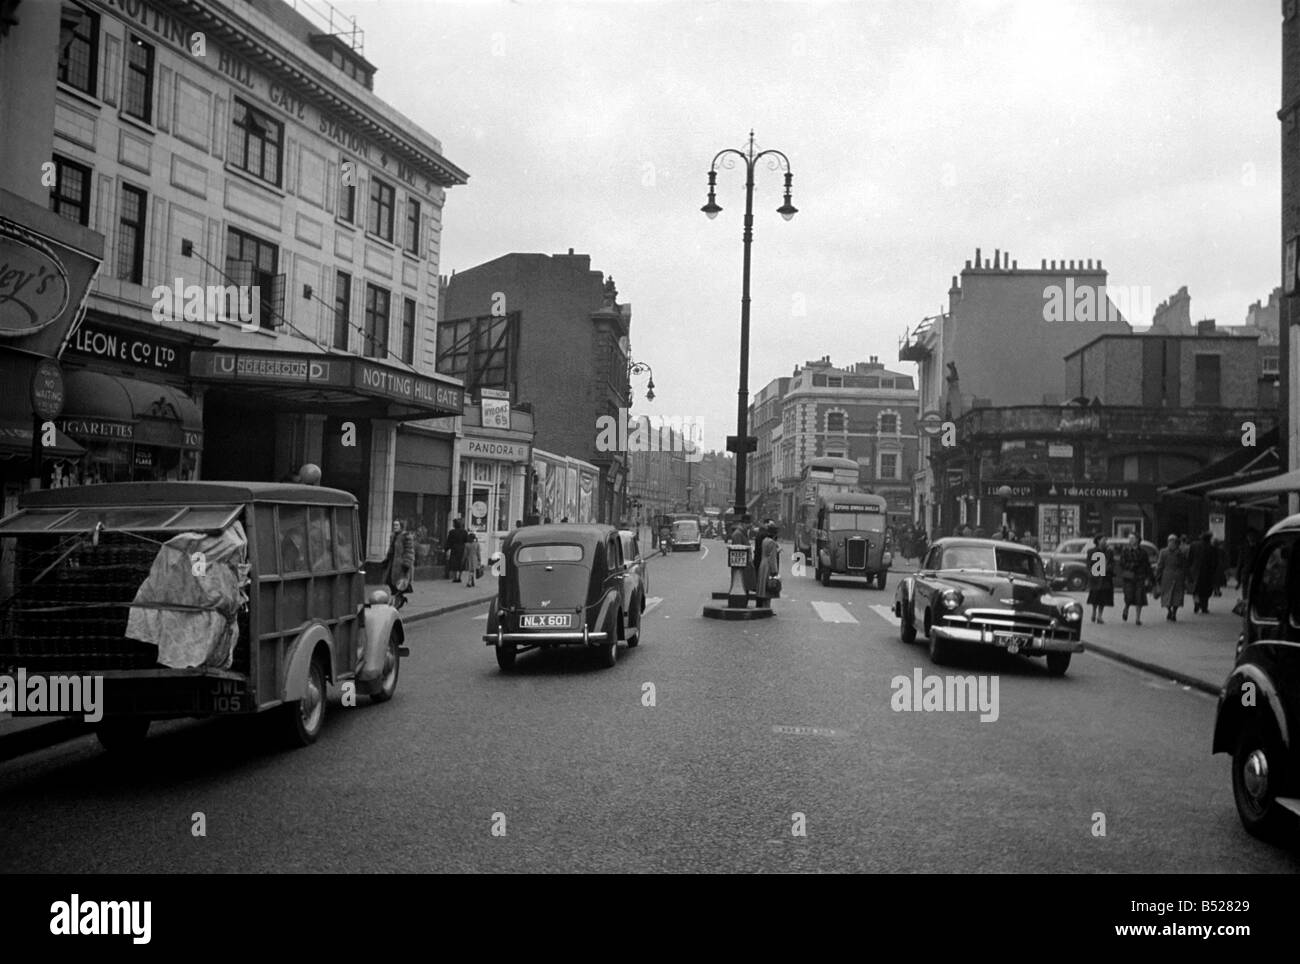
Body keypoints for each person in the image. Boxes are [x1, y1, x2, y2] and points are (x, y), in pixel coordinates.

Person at [1119, 532, 1152, 625]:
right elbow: (1122, 563)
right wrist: (1131, 565)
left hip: (1140, 577)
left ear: (1137, 539)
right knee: (1128, 596)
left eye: (1133, 538)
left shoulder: (1143, 552)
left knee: (1139, 597)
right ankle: (1126, 607)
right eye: (1130, 538)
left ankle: (1138, 618)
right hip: (1129, 577)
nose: (1131, 540)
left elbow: (1147, 565)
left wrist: (1149, 578)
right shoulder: (1125, 551)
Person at [1155, 534, 1188, 622]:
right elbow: (1160, 565)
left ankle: (1173, 612)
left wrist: (1157, 576)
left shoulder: (1178, 553)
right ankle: (1171, 611)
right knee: (1169, 595)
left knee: (1174, 595)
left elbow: (1160, 565)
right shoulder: (1169, 552)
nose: (1171, 543)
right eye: (1170, 542)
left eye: (1172, 542)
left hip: (1172, 576)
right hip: (1170, 576)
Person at [381, 518, 415, 600]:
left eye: (397, 525)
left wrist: (407, 563)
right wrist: (386, 559)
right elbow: (391, 549)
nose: (395, 527)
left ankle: (398, 600)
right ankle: (399, 599)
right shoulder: (393, 536)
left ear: (401, 526)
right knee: (390, 582)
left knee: (399, 583)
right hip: (392, 563)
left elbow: (409, 551)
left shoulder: (406, 536)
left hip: (401, 564)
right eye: (394, 525)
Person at [1085, 534, 1115, 623]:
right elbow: (1089, 564)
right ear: (1098, 541)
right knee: (1095, 596)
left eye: (1106, 540)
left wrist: (1108, 568)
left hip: (1106, 577)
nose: (1105, 542)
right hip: (1095, 576)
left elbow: (1112, 563)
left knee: (1103, 597)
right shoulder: (1091, 551)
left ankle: (1099, 616)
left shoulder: (1109, 552)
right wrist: (1091, 574)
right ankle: (1094, 612)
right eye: (1103, 540)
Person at [1187, 531, 1218, 614]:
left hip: (1194, 571)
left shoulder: (1193, 545)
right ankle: (1204, 607)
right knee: (1205, 591)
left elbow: (1189, 558)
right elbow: (1214, 562)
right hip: (1207, 572)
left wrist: (1189, 569)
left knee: (1195, 589)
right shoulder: (1211, 548)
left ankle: (1196, 602)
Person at [755, 524, 781, 609]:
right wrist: (775, 571)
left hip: (763, 564)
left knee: (763, 587)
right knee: (769, 588)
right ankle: (767, 608)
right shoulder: (772, 543)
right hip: (768, 566)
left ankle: (763, 607)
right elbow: (772, 558)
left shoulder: (765, 540)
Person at [445, 517, 467, 583]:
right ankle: (459, 577)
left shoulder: (452, 532)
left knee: (454, 563)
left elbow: (449, 541)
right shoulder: (464, 532)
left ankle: (455, 577)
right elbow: (466, 541)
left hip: (454, 549)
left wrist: (446, 548)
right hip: (462, 549)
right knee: (461, 563)